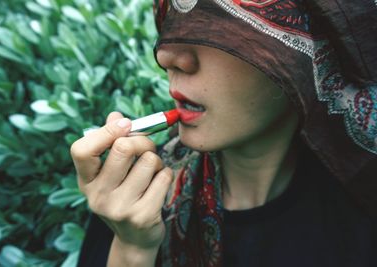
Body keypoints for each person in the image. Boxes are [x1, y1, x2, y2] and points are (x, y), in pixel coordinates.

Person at [70, 0, 377, 266]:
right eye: (173, 18)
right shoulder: (134, 203)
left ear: (309, 49)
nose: (168, 58)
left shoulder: (362, 207)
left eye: (218, 28)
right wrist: (133, 250)